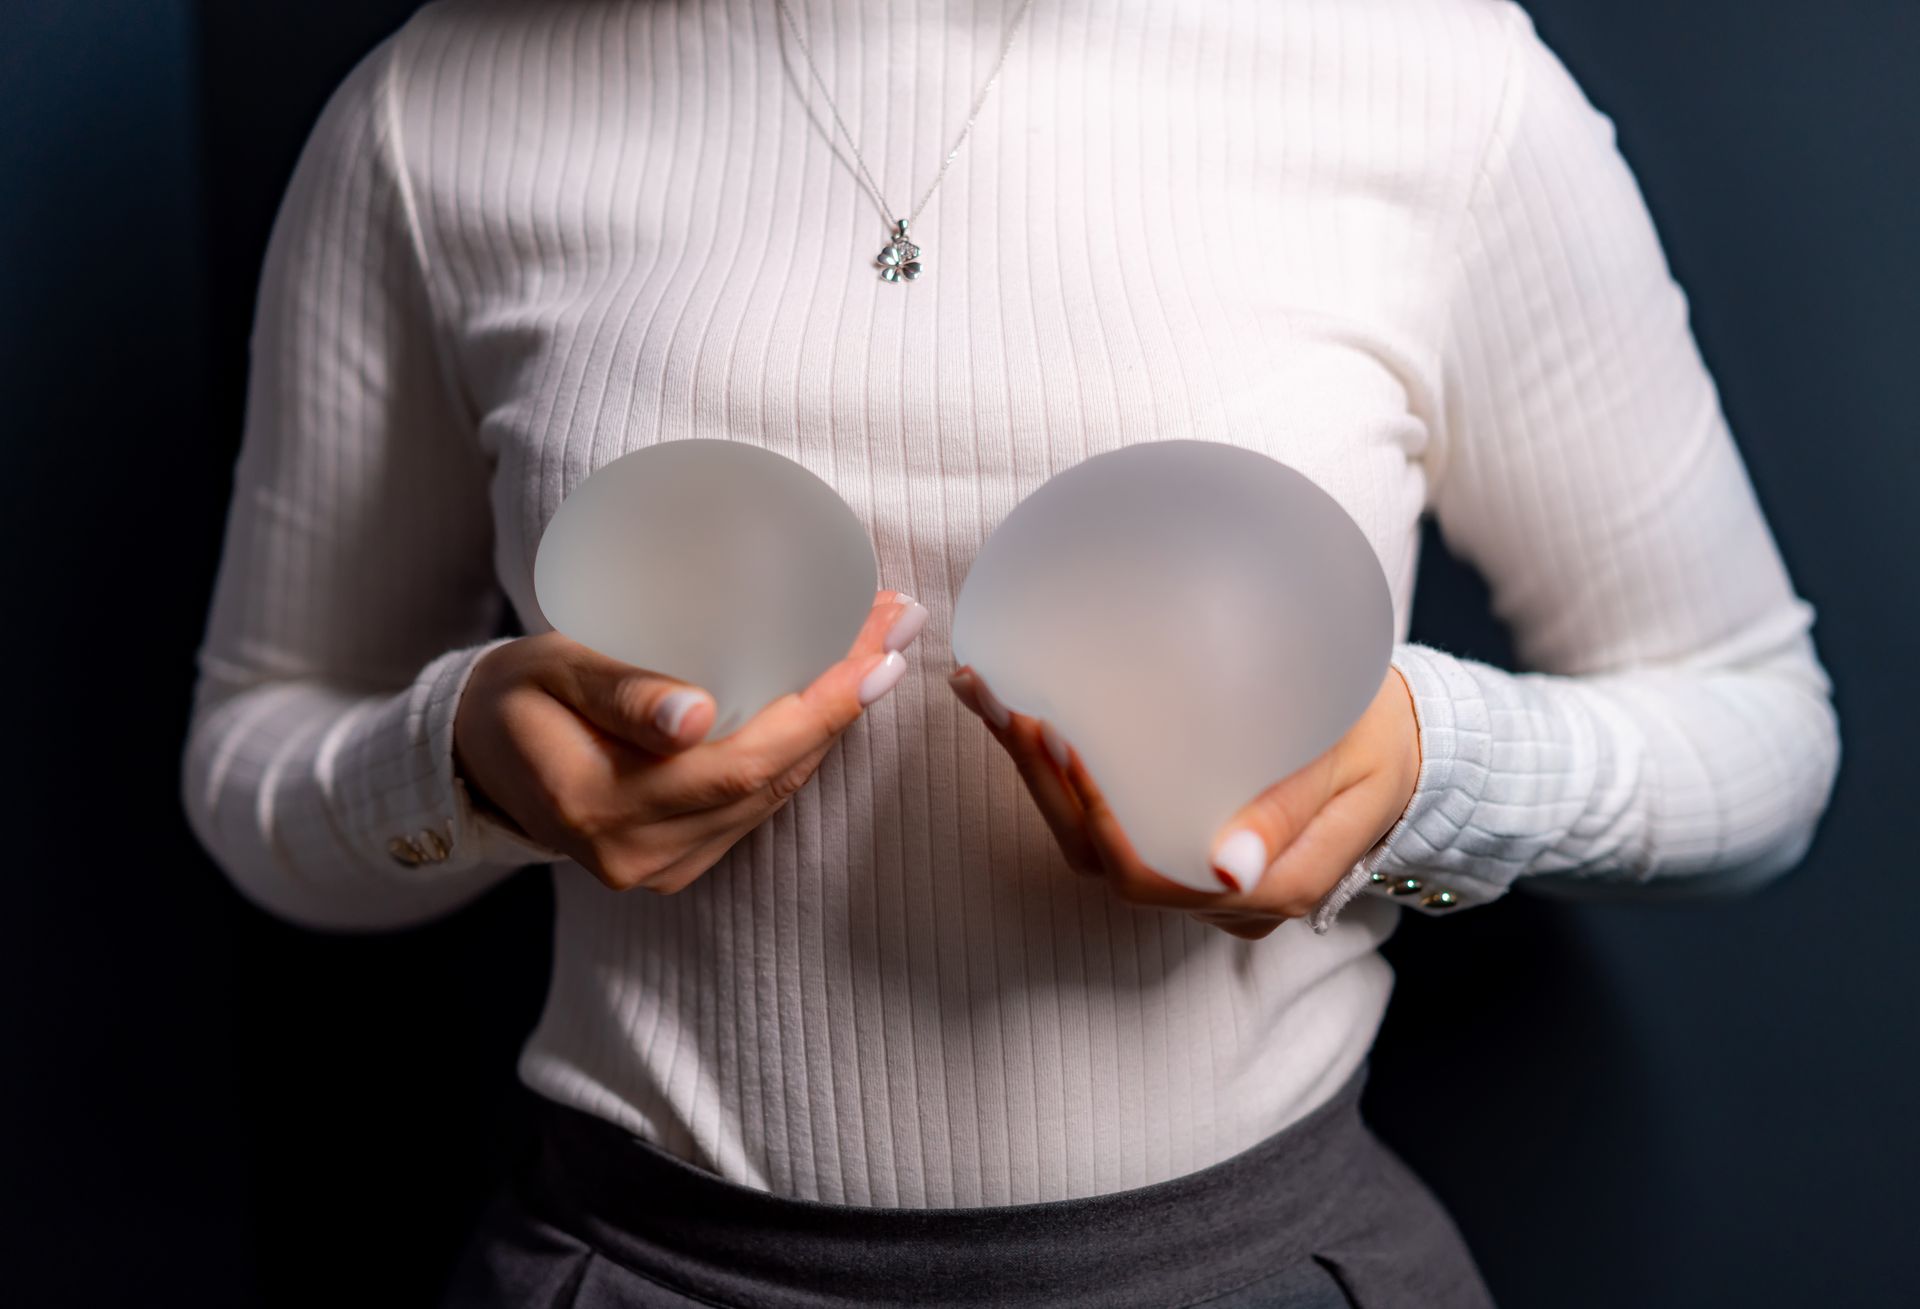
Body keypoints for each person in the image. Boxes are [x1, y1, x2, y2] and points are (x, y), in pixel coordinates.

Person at [179, 0, 1841, 1304]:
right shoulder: (438, 113)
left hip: (1259, 1267)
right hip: (640, 1270)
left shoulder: (1431, 77)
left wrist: (1418, 796)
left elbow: (1762, 744)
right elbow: (257, 767)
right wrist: (472, 768)